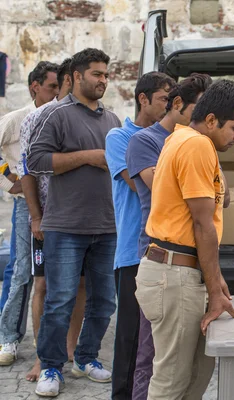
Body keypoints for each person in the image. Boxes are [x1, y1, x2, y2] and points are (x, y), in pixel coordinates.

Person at [134, 79, 234, 399]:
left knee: (196, 375)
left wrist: (214, 281)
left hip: (184, 272)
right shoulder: (194, 144)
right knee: (171, 380)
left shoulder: (186, 139)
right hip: (174, 273)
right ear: (212, 120)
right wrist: (214, 291)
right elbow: (203, 226)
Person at [27, 48, 121, 397]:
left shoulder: (113, 120)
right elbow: (35, 160)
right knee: (60, 299)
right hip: (64, 226)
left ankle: (86, 358)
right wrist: (87, 158)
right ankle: (52, 366)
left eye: (106, 75)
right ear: (78, 76)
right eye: (97, 74)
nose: (103, 80)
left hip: (107, 226)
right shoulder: (57, 115)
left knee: (104, 301)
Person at [125, 72, 212, 400]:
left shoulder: (201, 143)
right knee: (153, 355)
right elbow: (163, 186)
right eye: (200, 110)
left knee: (191, 359)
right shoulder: (144, 141)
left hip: (194, 260)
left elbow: (221, 196)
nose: (206, 119)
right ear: (178, 104)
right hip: (160, 255)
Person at [17, 57, 88, 382]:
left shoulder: (95, 116)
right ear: (71, 80)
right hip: (48, 219)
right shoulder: (38, 118)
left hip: (84, 220)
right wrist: (35, 216)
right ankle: (43, 357)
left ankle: (70, 352)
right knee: (44, 286)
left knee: (80, 286)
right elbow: (27, 170)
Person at [106, 71, 175, 400]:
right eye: (163, 98)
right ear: (143, 99)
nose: (167, 105)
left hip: (166, 250)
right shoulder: (121, 138)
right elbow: (145, 184)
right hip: (134, 251)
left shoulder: (173, 138)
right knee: (130, 339)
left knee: (157, 342)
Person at [0, 61, 59, 366]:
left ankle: (51, 341)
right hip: (26, 204)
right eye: (52, 86)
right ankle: (8, 337)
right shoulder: (15, 119)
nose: (57, 92)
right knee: (22, 271)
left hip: (59, 204)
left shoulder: (62, 117)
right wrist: (7, 179)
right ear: (35, 86)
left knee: (56, 276)